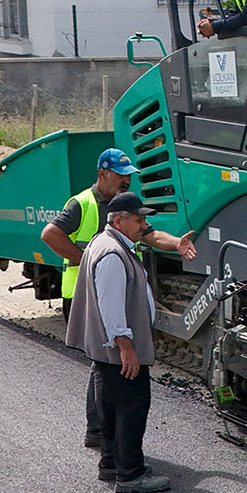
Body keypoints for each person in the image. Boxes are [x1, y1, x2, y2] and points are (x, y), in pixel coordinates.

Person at [41, 148, 194, 448]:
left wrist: (176, 243)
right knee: (104, 364)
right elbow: (50, 234)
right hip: (84, 297)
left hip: (112, 295)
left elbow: (151, 236)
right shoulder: (82, 203)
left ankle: (100, 431)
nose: (127, 181)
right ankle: (101, 433)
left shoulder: (125, 208)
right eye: (121, 176)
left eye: (129, 176)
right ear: (103, 174)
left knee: (103, 365)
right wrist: (83, 260)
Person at [64, 191, 169, 493]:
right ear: (119, 221)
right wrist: (126, 348)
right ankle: (130, 474)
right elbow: (111, 307)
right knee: (132, 408)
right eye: (138, 220)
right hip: (117, 349)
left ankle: (111, 463)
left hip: (106, 348)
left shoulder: (105, 242)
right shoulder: (112, 254)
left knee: (111, 407)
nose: (144, 225)